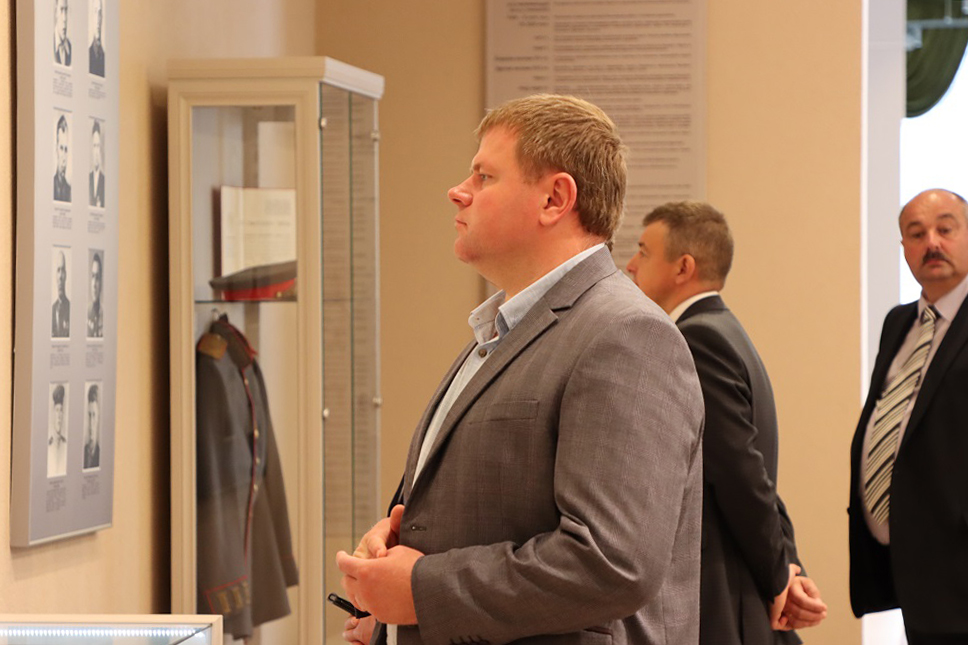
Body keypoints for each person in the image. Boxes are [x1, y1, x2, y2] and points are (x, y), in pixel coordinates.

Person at [337, 94, 705, 645]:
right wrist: (393, 573)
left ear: (555, 198)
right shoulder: (504, 329)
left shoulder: (625, 334)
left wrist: (421, 591)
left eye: (484, 176)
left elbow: (610, 561)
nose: (458, 190)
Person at [625, 201, 828, 644]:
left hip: (720, 589)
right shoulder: (725, 329)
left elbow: (741, 473)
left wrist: (779, 578)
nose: (630, 265)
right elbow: (755, 473)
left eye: (643, 251)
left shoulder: (697, 339)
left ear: (683, 267)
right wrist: (787, 567)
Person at [849, 188, 968, 644]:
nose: (931, 242)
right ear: (903, 248)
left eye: (945, 229)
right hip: (909, 572)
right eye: (916, 234)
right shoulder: (899, 323)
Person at [48, 384, 67, 477]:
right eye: (57, 410)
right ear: (53, 413)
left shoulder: (66, 444)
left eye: (61, 410)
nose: (59, 415)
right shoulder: (48, 446)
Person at [52, 249, 70, 337]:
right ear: (55, 275)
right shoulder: (52, 309)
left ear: (65, 275)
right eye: (58, 270)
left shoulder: (71, 308)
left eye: (62, 270)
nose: (60, 276)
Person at [54, 114, 71, 202]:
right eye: (61, 148)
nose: (64, 157)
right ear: (56, 149)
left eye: (66, 149)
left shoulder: (69, 190)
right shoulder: (50, 185)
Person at [83, 384, 100, 469]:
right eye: (89, 415)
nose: (91, 422)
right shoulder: (83, 453)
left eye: (94, 415)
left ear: (98, 417)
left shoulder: (100, 454)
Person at [87, 251, 103, 337]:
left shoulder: (104, 314)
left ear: (101, 283)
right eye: (93, 276)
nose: (94, 284)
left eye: (97, 278)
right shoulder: (86, 313)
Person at [89, 121, 105, 207]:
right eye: (94, 146)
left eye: (98, 146)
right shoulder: (88, 179)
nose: (96, 152)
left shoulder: (104, 181)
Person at [88, 0, 104, 77]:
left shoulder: (105, 58)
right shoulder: (88, 56)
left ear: (102, 18)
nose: (97, 19)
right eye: (95, 12)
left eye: (99, 13)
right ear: (91, 16)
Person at [53, 0, 71, 66]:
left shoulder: (70, 48)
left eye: (66, 10)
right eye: (61, 10)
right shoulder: (48, 43)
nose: (64, 18)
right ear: (56, 12)